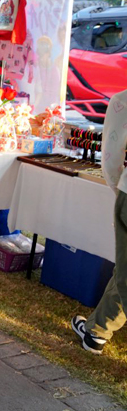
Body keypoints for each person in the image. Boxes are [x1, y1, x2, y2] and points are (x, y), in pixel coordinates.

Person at [71, 88, 127, 355]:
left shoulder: (123, 100)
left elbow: (111, 157)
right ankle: (97, 330)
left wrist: (119, 189)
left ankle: (98, 330)